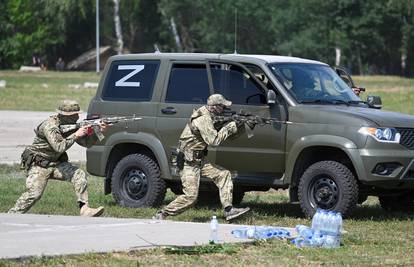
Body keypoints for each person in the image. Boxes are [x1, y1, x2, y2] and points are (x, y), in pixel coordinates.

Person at [153, 94, 251, 221]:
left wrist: (242, 126)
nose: (224, 109)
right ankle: (162, 213)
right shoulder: (204, 118)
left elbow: (228, 136)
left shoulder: (210, 116)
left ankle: (229, 210)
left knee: (224, 174)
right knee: (191, 197)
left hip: (199, 161)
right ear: (215, 107)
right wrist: (230, 126)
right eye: (222, 106)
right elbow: (214, 141)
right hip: (188, 162)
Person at [8, 100, 107, 217]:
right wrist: (76, 134)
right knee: (34, 195)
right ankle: (10, 216)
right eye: (74, 115)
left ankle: (84, 209)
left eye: (77, 114)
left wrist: (99, 131)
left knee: (79, 175)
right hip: (39, 164)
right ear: (65, 115)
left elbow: (87, 143)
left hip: (56, 164)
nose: (77, 117)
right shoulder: (49, 126)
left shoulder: (71, 126)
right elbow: (59, 147)